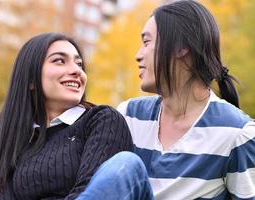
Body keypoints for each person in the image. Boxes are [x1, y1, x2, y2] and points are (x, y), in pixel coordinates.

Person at [62, 0, 255, 199]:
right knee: (126, 166)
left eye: (147, 42)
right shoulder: (128, 116)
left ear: (181, 47)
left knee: (127, 164)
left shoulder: (237, 134)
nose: (138, 55)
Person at [0, 32, 134, 199]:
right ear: (31, 81)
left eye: (79, 64)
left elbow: (91, 193)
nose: (77, 71)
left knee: (127, 162)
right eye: (59, 61)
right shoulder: (16, 138)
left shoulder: (102, 120)